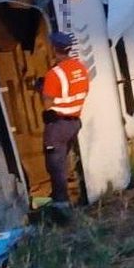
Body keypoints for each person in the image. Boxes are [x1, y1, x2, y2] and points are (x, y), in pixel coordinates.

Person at [38, 31, 89, 218]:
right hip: (74, 122)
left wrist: (41, 89)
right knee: (64, 160)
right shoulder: (80, 68)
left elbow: (47, 103)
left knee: (55, 164)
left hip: (58, 126)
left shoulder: (54, 74)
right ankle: (68, 194)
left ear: (54, 49)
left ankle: (61, 205)